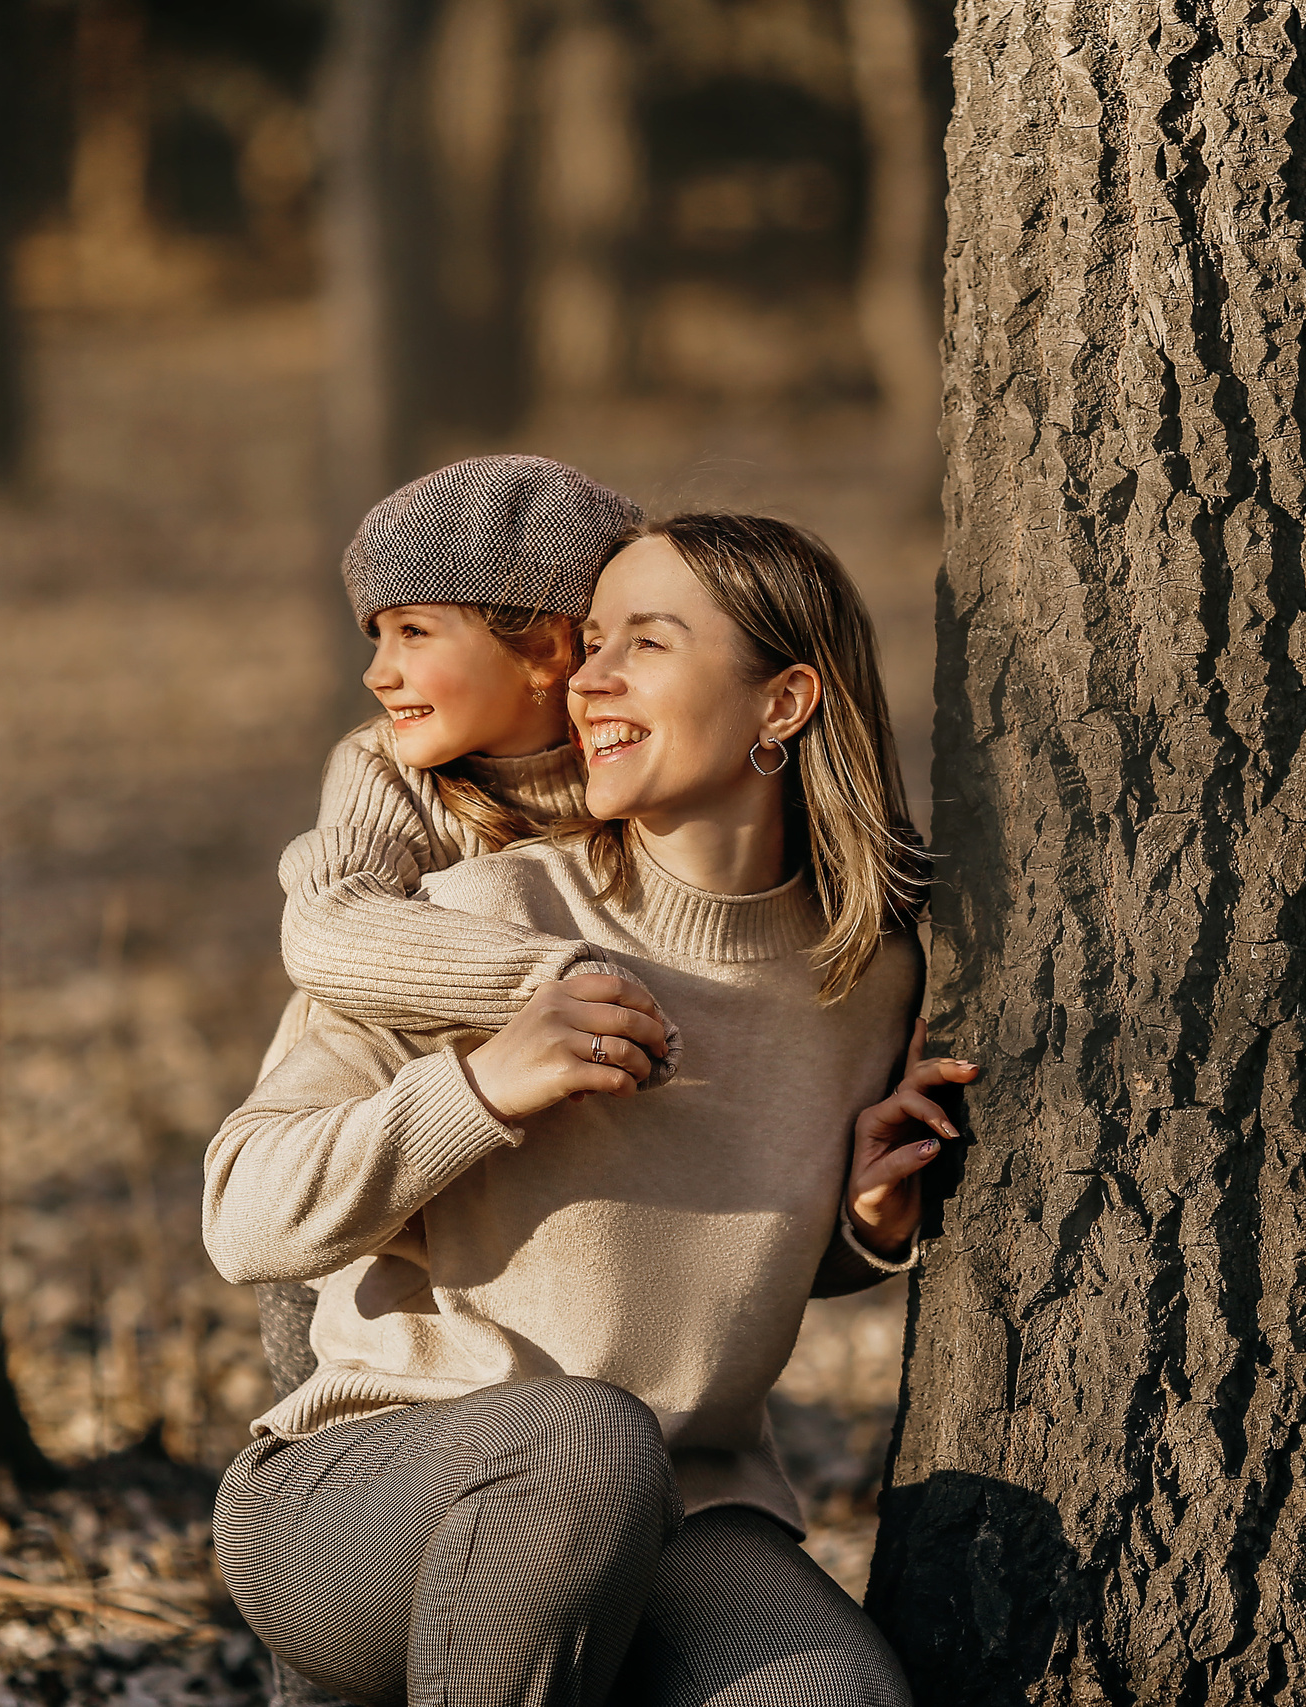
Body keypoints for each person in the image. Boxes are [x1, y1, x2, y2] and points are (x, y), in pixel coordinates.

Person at [206, 513, 981, 1706]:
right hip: (364, 1500)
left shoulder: (868, 977)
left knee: (833, 1699)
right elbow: (243, 1216)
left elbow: (689, 1252)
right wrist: (479, 1089)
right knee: (582, 1444)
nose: (589, 682)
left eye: (646, 645)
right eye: (591, 642)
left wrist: (864, 1218)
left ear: (782, 705)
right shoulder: (458, 926)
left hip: (685, 1509)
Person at [253, 454, 682, 1407]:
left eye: (414, 630)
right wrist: (559, 979)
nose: (378, 669)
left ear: (544, 643)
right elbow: (327, 928)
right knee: (359, 1408)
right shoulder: (385, 773)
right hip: (354, 1175)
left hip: (560, 1201)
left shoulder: (644, 767)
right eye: (375, 634)